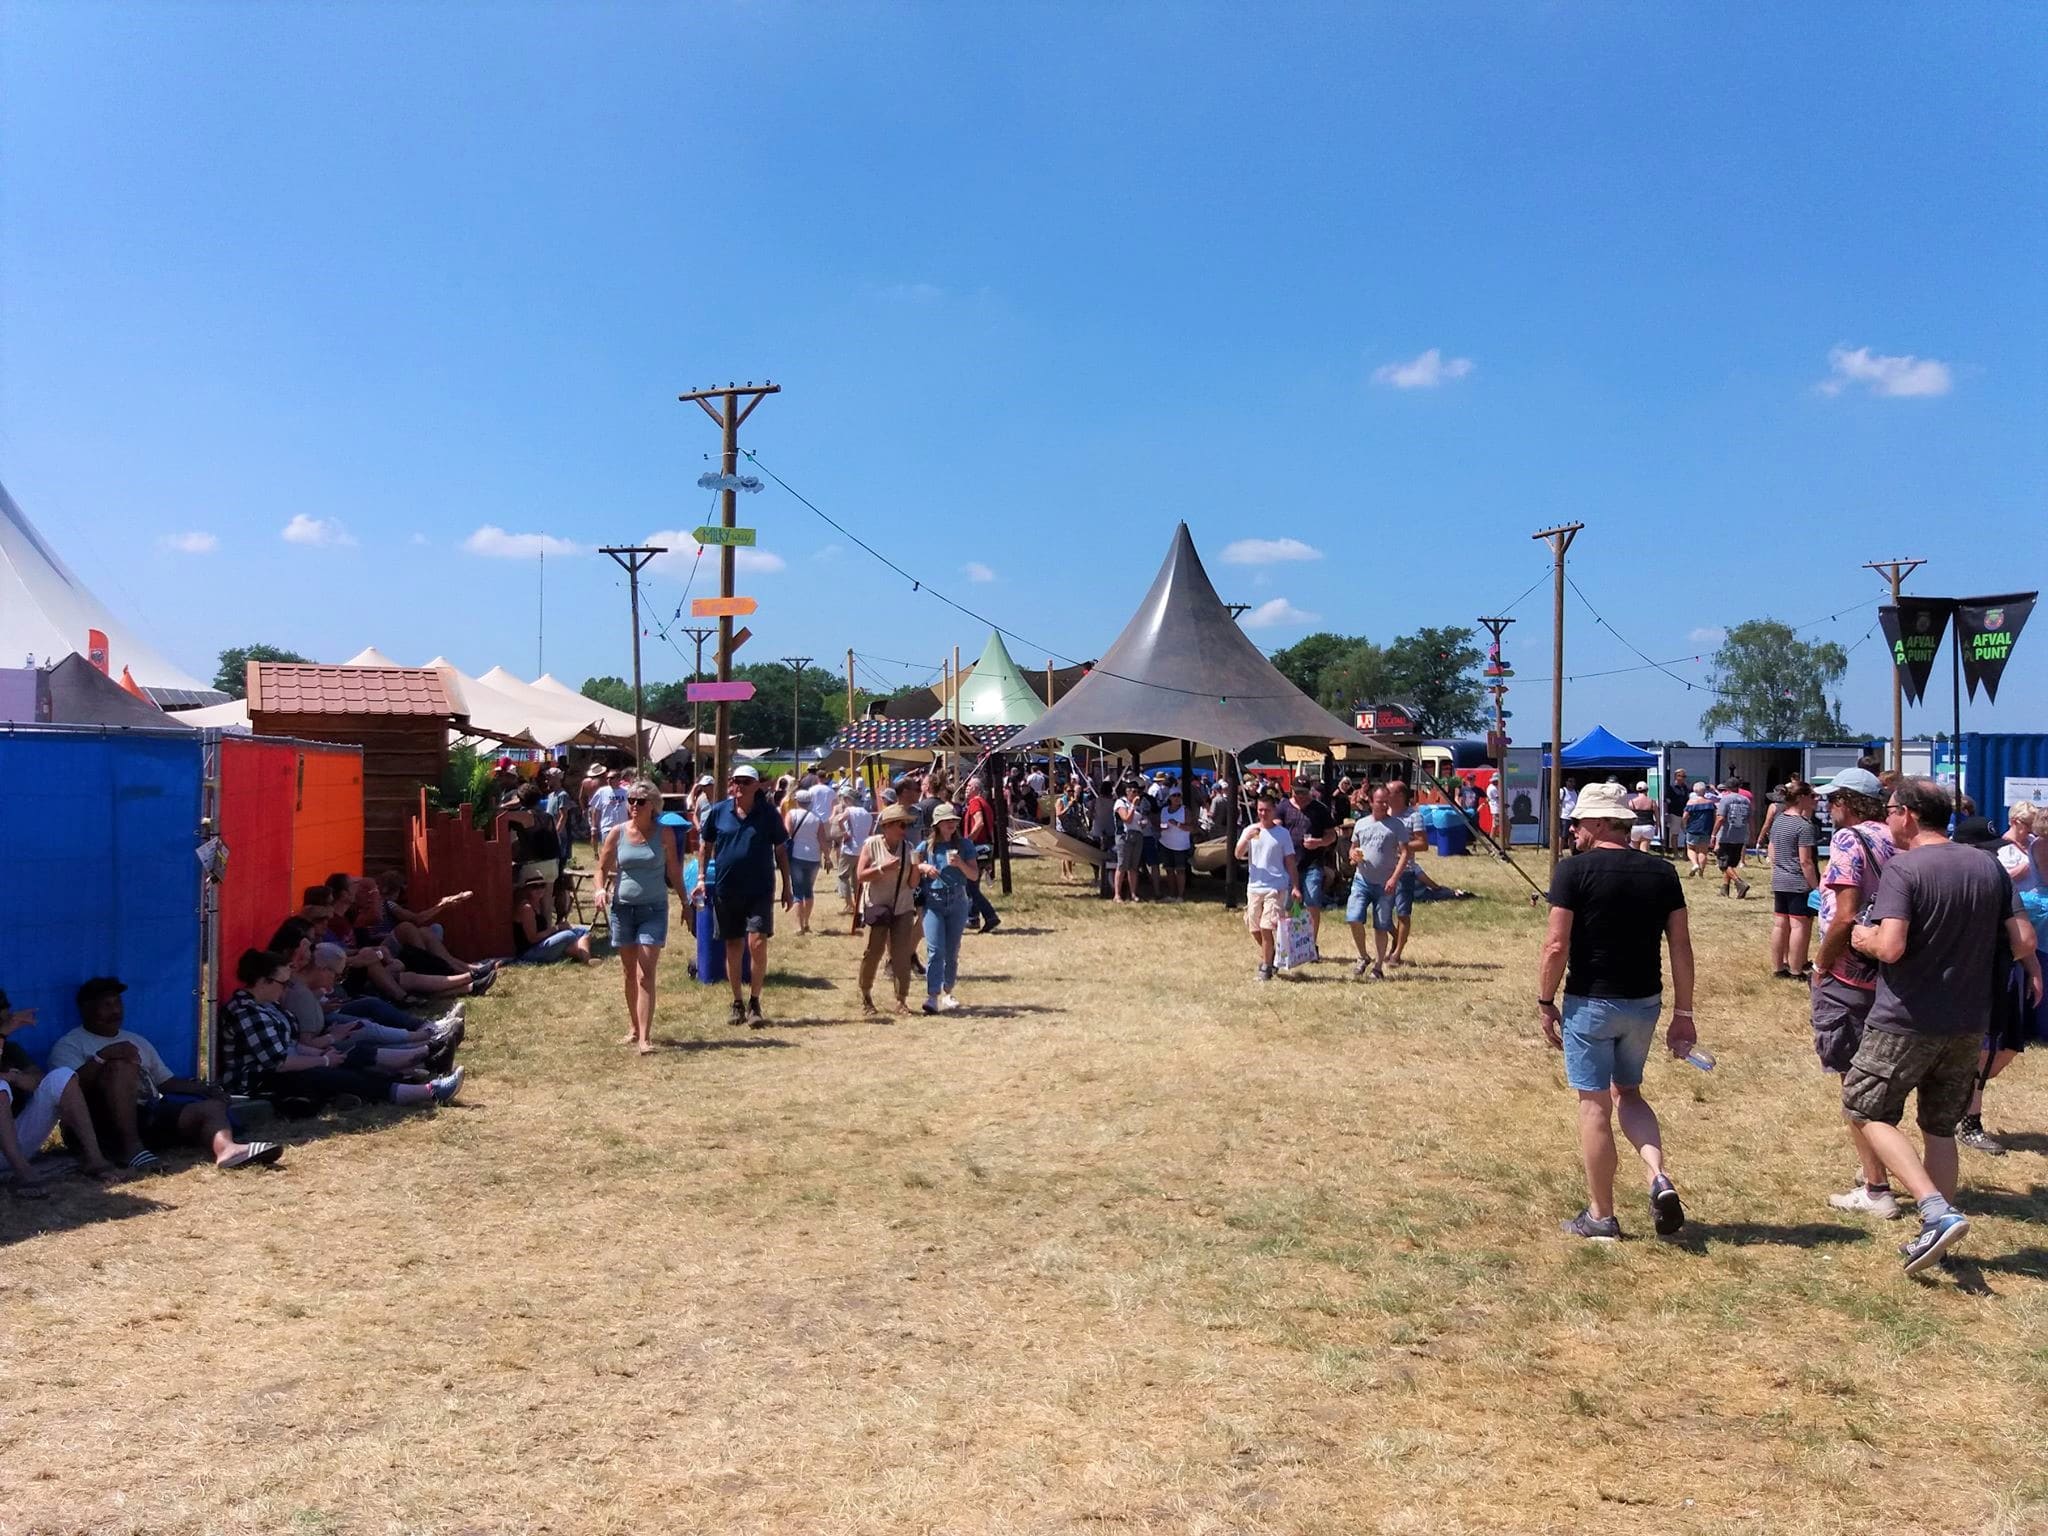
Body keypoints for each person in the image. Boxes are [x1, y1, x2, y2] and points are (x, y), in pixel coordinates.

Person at [1842, 780, 2041, 1272]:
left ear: (1908, 815)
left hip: (1906, 1018)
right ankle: (1940, 1235)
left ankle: (1934, 1210)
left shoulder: (1903, 868)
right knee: (1940, 1125)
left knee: (1864, 1107)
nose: (1887, 818)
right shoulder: (1988, 865)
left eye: (1890, 810)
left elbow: (1890, 947)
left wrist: (1863, 937)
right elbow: (2024, 940)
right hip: (1969, 1019)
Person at [1537, 781, 1696, 1241]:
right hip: (1644, 1003)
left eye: (1579, 822)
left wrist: (1545, 1002)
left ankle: (1602, 1216)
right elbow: (1681, 947)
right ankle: (1657, 1176)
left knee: (1594, 1106)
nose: (1573, 829)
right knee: (1630, 1093)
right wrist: (1683, 1013)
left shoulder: (1573, 872)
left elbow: (1554, 944)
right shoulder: (1662, 873)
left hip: (1591, 1002)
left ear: (1603, 823)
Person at [51, 976, 285, 1172]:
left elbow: (166, 1082)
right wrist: (104, 1057)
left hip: (148, 1115)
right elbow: (68, 1089)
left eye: (117, 1003)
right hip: (102, 1124)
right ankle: (130, 1149)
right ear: (85, 1009)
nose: (115, 1011)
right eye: (106, 1005)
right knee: (120, 1066)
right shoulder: (70, 1044)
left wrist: (206, 1090)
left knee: (210, 1108)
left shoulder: (135, 1039)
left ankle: (227, 1149)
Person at [220, 950, 462, 1112]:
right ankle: (425, 1088)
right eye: (283, 983)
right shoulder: (247, 1012)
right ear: (263, 982)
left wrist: (329, 1045)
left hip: (280, 1071)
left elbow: (290, 1046)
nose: (286, 990)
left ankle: (421, 1064)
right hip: (258, 1084)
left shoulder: (265, 1005)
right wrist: (324, 1059)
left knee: (351, 1054)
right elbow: (280, 1062)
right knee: (335, 1071)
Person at [700, 763, 794, 1027]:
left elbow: (781, 851)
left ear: (756, 786)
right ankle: (737, 1002)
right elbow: (705, 845)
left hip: (760, 889)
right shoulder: (719, 812)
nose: (738, 786)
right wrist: (699, 878)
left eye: (744, 782)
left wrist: (787, 886)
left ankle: (755, 1000)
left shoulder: (768, 814)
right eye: (735, 781)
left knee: (757, 943)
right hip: (726, 888)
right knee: (733, 945)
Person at [597, 777, 685, 1052]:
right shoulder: (617, 832)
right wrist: (600, 890)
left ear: (653, 806)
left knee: (645, 973)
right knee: (628, 972)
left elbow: (674, 872)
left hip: (654, 909)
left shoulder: (665, 833)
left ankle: (645, 1038)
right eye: (630, 801)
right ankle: (634, 1028)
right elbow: (601, 868)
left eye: (640, 802)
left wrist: (686, 902)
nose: (633, 805)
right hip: (623, 909)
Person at [2, 990, 117, 1193]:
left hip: (14, 1144)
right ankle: (23, 1173)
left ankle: (95, 1160)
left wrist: (15, 1077)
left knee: (61, 1077)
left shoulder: (12, 1050)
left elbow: (37, 1080)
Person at [910, 803, 979, 1014]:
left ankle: (948, 992)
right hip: (934, 901)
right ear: (937, 824)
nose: (952, 824)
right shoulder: (926, 847)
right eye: (947, 821)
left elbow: (974, 875)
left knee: (952, 950)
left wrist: (960, 864)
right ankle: (932, 996)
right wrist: (923, 867)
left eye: (954, 821)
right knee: (935, 950)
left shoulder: (965, 845)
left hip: (957, 900)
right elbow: (912, 868)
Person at [854, 804, 921, 1016]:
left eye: (906, 825)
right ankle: (865, 996)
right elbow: (861, 875)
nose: (905, 829)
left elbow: (912, 884)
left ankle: (901, 1000)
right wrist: (883, 868)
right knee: (873, 952)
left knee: (902, 954)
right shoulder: (871, 845)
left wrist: (917, 868)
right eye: (901, 824)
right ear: (888, 826)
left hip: (902, 906)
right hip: (877, 906)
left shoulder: (908, 847)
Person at [1234, 790, 1300, 982]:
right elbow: (1237, 854)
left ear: (1274, 811)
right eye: (1260, 810)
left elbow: (1290, 862)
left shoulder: (1282, 834)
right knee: (1254, 928)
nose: (1263, 814)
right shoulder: (1251, 831)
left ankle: (1265, 967)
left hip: (1276, 886)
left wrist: (1295, 886)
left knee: (1266, 926)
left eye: (1267, 810)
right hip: (1254, 886)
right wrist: (1247, 838)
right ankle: (1270, 957)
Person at [1344, 784, 1407, 980]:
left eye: (1386, 802)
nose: (1384, 805)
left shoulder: (1396, 825)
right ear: (1371, 802)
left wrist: (1394, 878)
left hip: (1384, 884)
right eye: (1380, 802)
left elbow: (1405, 853)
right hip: (1361, 879)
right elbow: (1353, 848)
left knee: (1381, 925)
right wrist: (1353, 854)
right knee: (1353, 918)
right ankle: (1363, 956)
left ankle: (1378, 967)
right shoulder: (1361, 824)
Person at [1290, 778, 1339, 956]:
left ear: (1310, 791)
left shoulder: (1320, 809)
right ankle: (1292, 942)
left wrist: (1318, 843)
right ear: (1291, 790)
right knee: (1290, 905)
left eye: (1304, 792)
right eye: (1297, 792)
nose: (1300, 796)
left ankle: (1311, 944)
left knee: (1312, 904)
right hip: (1290, 865)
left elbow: (1332, 836)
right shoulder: (1283, 807)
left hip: (1313, 864)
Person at [1384, 780, 1428, 966]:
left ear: (1400, 796)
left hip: (1405, 872)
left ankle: (1396, 954)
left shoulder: (1414, 816)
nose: (1385, 795)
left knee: (1402, 913)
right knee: (1383, 916)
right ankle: (1397, 937)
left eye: (1389, 792)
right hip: (1382, 871)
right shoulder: (1382, 814)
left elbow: (1423, 844)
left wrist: (1401, 846)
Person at [513, 873, 594, 963]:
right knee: (568, 935)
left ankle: (585, 958)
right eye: (534, 886)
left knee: (583, 931)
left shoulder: (539, 903)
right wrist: (557, 928)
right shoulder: (526, 908)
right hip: (529, 952)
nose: (539, 889)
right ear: (526, 889)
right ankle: (584, 957)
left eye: (542, 885)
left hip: (542, 943)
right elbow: (533, 938)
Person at [782, 781, 825, 936]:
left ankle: (799, 926)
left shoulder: (791, 815)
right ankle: (806, 922)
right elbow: (822, 840)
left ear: (797, 801)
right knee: (809, 890)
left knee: (798, 892)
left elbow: (786, 833)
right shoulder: (816, 818)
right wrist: (827, 856)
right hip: (813, 857)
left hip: (797, 856)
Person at [961, 778, 1002, 933]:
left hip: (976, 848)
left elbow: (979, 823)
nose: (966, 789)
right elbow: (989, 829)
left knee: (970, 886)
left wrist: (968, 840)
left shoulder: (975, 803)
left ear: (977, 789)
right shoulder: (986, 804)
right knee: (973, 885)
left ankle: (989, 915)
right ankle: (973, 918)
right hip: (986, 848)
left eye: (969, 786)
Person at [829, 787, 875, 920]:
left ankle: (849, 903)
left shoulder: (849, 810)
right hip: (863, 849)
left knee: (843, 876)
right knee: (857, 878)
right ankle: (859, 902)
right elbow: (871, 831)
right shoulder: (866, 813)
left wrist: (845, 833)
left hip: (850, 848)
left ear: (848, 799)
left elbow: (839, 820)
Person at [1711, 781, 1753, 898]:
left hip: (1726, 835)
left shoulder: (1726, 799)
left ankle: (1740, 883)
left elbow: (1720, 818)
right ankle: (1725, 889)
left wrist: (1713, 834)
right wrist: (1752, 834)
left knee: (1723, 864)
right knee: (1731, 864)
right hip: (1740, 835)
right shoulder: (1746, 800)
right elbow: (1750, 819)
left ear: (1727, 788)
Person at [1157, 785, 1192, 903]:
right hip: (1165, 843)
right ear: (1169, 798)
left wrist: (1177, 824)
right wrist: (1162, 827)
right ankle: (1172, 894)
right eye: (1174, 796)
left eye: (1178, 796)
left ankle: (1180, 895)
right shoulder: (1163, 811)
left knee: (1180, 870)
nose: (1177, 798)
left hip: (1180, 845)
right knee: (1169, 870)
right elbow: (1159, 824)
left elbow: (1191, 827)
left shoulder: (1185, 810)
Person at [1663, 767, 1691, 852]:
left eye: (1684, 776)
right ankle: (1675, 853)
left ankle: (1686, 854)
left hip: (1685, 814)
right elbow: (1666, 801)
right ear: (1676, 776)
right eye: (1680, 776)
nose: (1682, 778)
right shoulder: (1671, 787)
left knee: (1688, 833)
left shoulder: (1686, 788)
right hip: (1675, 813)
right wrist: (1666, 813)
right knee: (1675, 834)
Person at [1628, 782, 1657, 852]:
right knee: (1644, 849)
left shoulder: (1632, 802)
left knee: (1634, 849)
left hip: (1635, 827)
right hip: (1648, 827)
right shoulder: (1652, 802)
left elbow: (1629, 817)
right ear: (1647, 790)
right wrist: (1657, 827)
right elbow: (1657, 816)